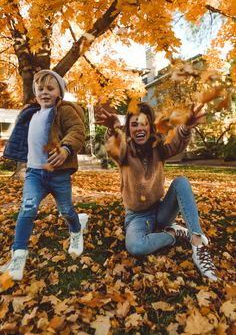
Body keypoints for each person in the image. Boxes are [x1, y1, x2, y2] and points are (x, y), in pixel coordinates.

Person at [96, 102, 218, 281]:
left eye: (144, 123)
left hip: (161, 211)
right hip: (137, 217)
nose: (140, 128)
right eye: (134, 124)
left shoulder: (158, 148)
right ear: (128, 129)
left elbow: (176, 144)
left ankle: (197, 244)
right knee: (135, 246)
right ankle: (174, 234)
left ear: (150, 127)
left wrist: (185, 127)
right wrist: (113, 130)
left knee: (181, 182)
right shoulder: (125, 152)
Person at [0, 70, 85, 281]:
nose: (45, 93)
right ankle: (18, 256)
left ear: (59, 92)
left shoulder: (63, 111)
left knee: (65, 209)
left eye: (50, 88)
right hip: (34, 174)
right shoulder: (30, 114)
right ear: (35, 92)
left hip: (58, 174)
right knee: (27, 209)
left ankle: (76, 231)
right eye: (40, 89)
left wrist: (66, 149)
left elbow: (77, 130)